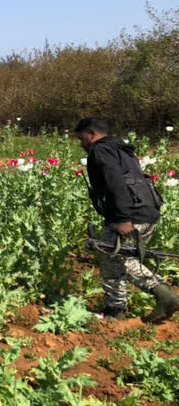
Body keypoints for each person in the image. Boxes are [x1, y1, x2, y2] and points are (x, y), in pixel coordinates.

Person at [75, 117, 178, 322]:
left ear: (92, 134)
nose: (81, 143)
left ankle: (162, 297)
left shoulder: (100, 150)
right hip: (147, 211)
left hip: (130, 214)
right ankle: (115, 307)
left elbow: (115, 184)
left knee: (114, 255)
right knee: (118, 257)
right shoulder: (122, 150)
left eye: (81, 138)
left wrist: (122, 218)